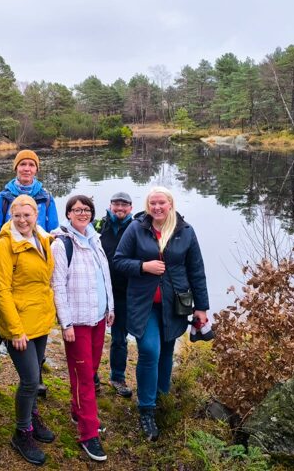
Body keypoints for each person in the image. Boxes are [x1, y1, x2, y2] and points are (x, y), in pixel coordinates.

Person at [113, 186, 209, 442]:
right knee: (149, 350)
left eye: (162, 203)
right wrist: (143, 266)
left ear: (170, 204)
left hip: (175, 303)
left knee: (167, 352)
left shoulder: (185, 231)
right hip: (143, 304)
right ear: (147, 205)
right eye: (152, 203)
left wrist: (202, 307)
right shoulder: (136, 228)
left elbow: (196, 270)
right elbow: (119, 260)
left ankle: (161, 400)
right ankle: (146, 409)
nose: (157, 207)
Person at [0, 149, 59, 404]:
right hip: (9, 271)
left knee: (38, 327)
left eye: (31, 165)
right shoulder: (2, 199)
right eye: (22, 165)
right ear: (16, 169)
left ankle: (35, 375)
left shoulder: (46, 198)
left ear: (36, 169)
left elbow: (51, 234)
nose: (27, 169)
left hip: (35, 273)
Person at [0, 195, 57, 465]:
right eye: (17, 216)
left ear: (36, 215)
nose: (23, 220)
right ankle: (22, 431)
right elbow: (0, 290)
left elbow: (44, 279)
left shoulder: (42, 237)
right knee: (29, 380)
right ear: (11, 217)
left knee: (36, 373)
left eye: (28, 215)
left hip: (39, 319)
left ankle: (33, 416)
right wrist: (15, 330)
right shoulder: (5, 246)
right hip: (18, 324)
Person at [51, 195, 114, 462]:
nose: (83, 213)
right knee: (86, 378)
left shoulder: (94, 238)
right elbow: (58, 286)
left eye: (87, 210)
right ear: (68, 214)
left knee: (90, 370)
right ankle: (88, 433)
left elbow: (104, 275)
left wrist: (110, 307)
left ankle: (79, 410)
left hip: (98, 317)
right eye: (77, 210)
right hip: (77, 321)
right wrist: (65, 323)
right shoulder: (61, 244)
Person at [93, 191, 134, 398]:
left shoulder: (136, 228)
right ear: (110, 205)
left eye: (124, 205)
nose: (119, 208)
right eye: (116, 204)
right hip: (98, 290)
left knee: (119, 337)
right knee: (93, 336)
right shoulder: (99, 226)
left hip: (123, 292)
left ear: (130, 208)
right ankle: (91, 376)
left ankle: (117, 377)